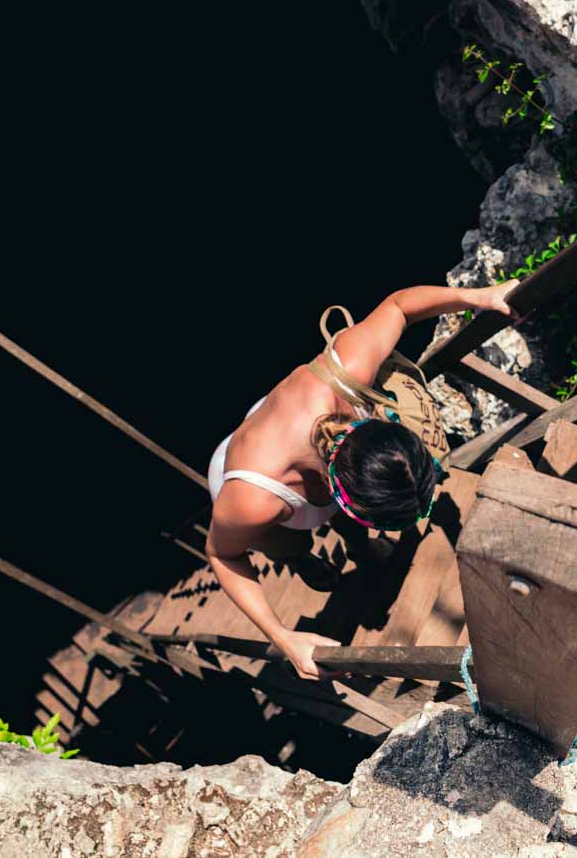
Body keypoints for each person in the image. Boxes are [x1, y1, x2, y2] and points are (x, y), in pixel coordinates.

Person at [204, 280, 518, 681]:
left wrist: (479, 296)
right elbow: (221, 554)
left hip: (299, 432)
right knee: (290, 540)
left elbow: (399, 307)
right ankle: (300, 558)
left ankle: (360, 548)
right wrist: (284, 638)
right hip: (248, 469)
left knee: (343, 525)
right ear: (342, 494)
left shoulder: (350, 372)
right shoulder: (255, 500)